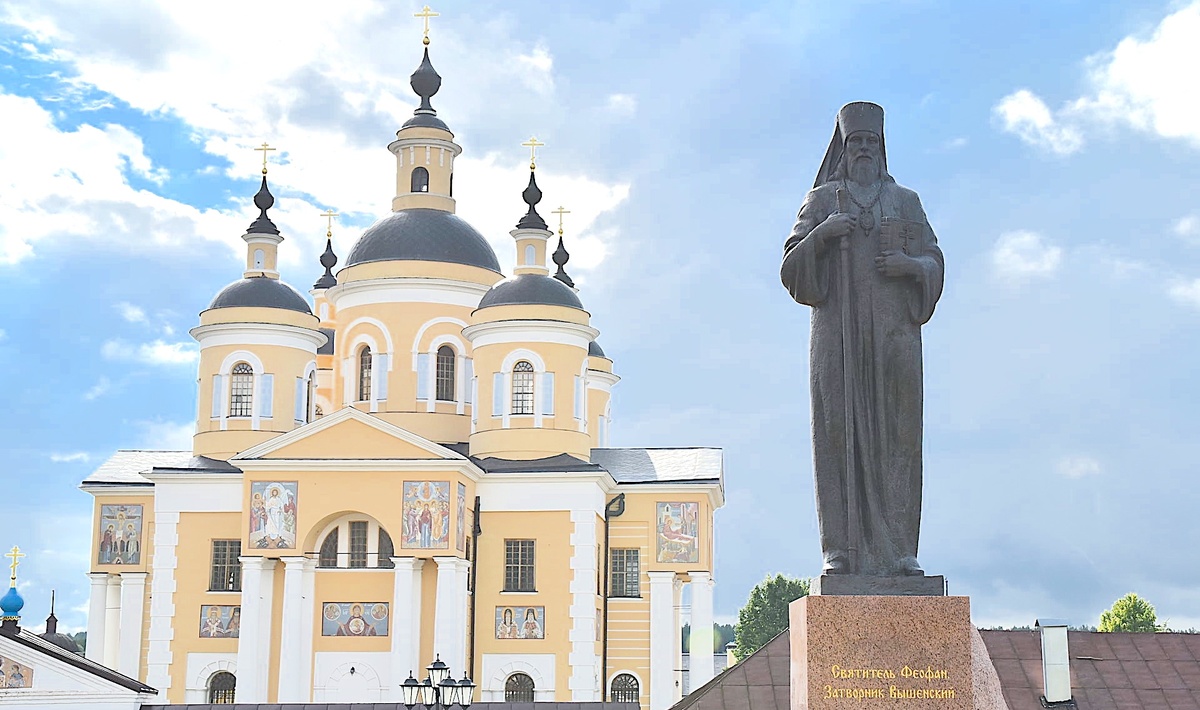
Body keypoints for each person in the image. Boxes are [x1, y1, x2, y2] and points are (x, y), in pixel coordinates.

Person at [780, 102, 944, 577]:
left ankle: (899, 551)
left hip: (895, 340)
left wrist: (910, 267)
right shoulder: (820, 202)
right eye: (857, 142)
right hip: (839, 338)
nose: (865, 150)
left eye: (872, 142)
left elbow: (935, 260)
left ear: (882, 148)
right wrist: (823, 237)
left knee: (899, 436)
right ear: (845, 149)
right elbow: (791, 270)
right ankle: (841, 550)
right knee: (839, 433)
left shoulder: (906, 202)